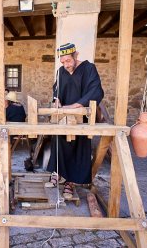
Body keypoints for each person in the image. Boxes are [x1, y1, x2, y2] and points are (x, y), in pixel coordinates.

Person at [46, 42, 104, 200]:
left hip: (81, 117)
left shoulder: (88, 69)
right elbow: (56, 90)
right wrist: (56, 100)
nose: (65, 65)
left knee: (77, 147)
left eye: (68, 61)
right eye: (63, 62)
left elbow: (95, 90)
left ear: (76, 55)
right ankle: (58, 172)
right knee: (59, 143)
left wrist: (75, 106)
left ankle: (70, 182)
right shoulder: (61, 71)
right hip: (63, 117)